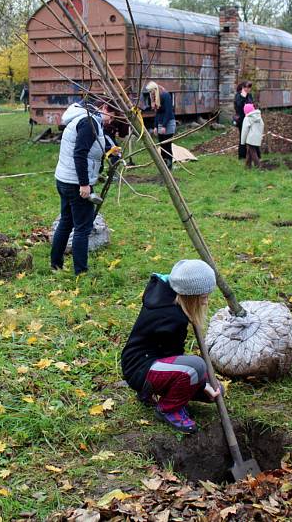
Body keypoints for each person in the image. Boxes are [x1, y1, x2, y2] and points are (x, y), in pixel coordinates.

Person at [121, 260, 224, 433]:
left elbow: (172, 354)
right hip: (139, 369)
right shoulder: (171, 316)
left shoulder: (168, 294)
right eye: (203, 297)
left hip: (151, 362)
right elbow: (176, 356)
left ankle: (151, 392)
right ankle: (169, 409)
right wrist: (201, 385)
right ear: (189, 295)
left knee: (216, 389)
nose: (205, 302)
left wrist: (204, 384)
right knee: (196, 367)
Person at [50, 99, 119, 275]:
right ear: (104, 108)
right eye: (112, 114)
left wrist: (109, 154)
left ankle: (56, 264)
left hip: (64, 179)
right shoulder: (89, 123)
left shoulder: (84, 119)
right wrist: (84, 184)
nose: (113, 119)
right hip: (75, 183)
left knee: (66, 222)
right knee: (82, 227)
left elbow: (92, 150)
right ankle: (81, 271)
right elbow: (80, 153)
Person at [146, 81, 176, 169]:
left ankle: (169, 165)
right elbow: (158, 113)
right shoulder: (156, 98)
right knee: (162, 145)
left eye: (151, 91)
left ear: (155, 90)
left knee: (167, 145)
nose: (151, 94)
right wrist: (155, 126)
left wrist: (164, 126)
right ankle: (163, 165)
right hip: (160, 123)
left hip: (168, 123)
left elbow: (168, 111)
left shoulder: (165, 96)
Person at [233, 81, 254, 160]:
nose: (248, 89)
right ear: (242, 87)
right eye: (246, 87)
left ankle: (251, 155)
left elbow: (252, 105)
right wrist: (243, 97)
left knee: (251, 137)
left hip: (250, 119)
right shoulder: (238, 96)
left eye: (249, 87)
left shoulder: (250, 96)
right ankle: (242, 156)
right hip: (241, 119)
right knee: (243, 137)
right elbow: (238, 106)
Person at [240, 103, 263, 168]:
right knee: (249, 152)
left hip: (250, 138)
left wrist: (242, 141)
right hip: (257, 137)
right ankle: (247, 166)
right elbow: (262, 125)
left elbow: (245, 130)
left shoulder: (247, 118)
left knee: (253, 152)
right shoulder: (259, 117)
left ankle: (258, 166)